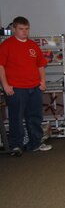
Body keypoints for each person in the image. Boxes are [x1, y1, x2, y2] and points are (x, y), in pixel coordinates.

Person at [0, 16, 52, 155]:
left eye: (27, 29)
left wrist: (43, 81)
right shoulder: (6, 45)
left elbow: (40, 65)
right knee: (16, 117)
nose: (24, 32)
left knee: (35, 116)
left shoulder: (32, 45)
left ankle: (35, 143)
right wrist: (5, 85)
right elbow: (1, 66)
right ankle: (16, 145)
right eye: (21, 29)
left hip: (34, 87)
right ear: (14, 29)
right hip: (16, 87)